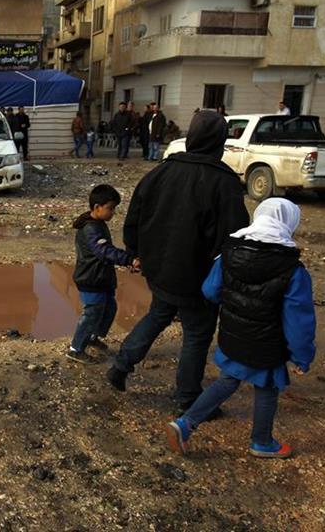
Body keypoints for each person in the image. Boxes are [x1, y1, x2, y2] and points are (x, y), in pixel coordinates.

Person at [106, 110, 250, 413]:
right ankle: (187, 397)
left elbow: (134, 219)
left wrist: (136, 253)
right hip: (199, 278)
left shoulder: (160, 172)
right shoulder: (224, 183)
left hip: (161, 270)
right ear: (219, 142)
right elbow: (235, 236)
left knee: (158, 315)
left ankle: (121, 365)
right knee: (196, 334)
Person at [167, 198, 316, 459]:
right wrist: (302, 356)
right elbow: (299, 321)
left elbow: (210, 291)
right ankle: (261, 441)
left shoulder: (229, 253)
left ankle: (185, 423)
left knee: (227, 380)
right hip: (268, 345)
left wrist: (237, 300)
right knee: (267, 388)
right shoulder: (293, 270)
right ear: (289, 223)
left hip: (233, 336)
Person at [67, 184, 140, 364]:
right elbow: (105, 251)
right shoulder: (91, 229)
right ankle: (76, 349)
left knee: (109, 308)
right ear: (97, 207)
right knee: (91, 313)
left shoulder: (98, 224)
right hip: (91, 279)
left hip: (102, 278)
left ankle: (92, 337)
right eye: (110, 208)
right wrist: (129, 259)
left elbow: (107, 252)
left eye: (114, 208)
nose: (113, 212)